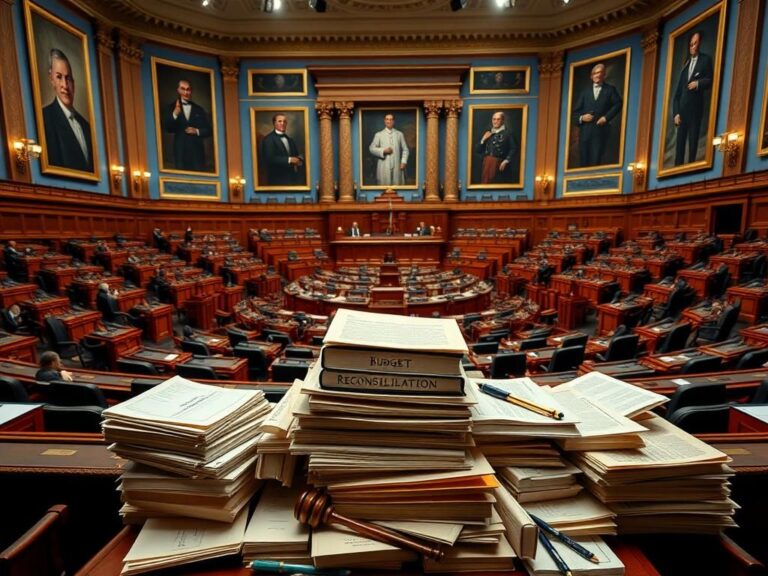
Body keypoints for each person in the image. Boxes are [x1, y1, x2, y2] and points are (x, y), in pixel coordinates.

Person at [41, 48, 93, 173]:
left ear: (73, 83)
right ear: (51, 79)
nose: (65, 85)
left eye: (68, 78)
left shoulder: (86, 126)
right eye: (59, 77)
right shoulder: (45, 118)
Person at [672, 31, 713, 166]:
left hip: (695, 110)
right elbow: (677, 94)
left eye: (695, 43)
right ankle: (677, 171)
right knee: (680, 146)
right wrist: (676, 113)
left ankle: (691, 169)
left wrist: (698, 83)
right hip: (682, 113)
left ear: (699, 44)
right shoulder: (685, 65)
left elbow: (710, 80)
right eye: (691, 44)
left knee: (693, 142)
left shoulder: (705, 60)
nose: (692, 46)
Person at [571, 62, 622, 167]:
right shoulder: (585, 92)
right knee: (584, 161)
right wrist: (582, 118)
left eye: (600, 73)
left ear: (604, 75)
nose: (597, 75)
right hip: (585, 133)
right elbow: (575, 113)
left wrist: (606, 118)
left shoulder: (610, 90)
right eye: (595, 73)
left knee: (596, 160)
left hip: (600, 132)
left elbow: (618, 104)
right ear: (591, 76)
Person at [163, 79, 212, 172]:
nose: (186, 92)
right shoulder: (171, 107)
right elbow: (167, 128)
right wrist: (175, 114)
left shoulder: (199, 109)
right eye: (183, 89)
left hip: (197, 153)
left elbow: (209, 130)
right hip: (180, 151)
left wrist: (197, 131)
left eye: (188, 89)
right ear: (178, 90)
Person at [260, 113, 304, 186]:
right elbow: (269, 159)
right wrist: (289, 159)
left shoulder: (290, 140)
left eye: (284, 121)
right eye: (279, 121)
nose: (282, 123)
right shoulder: (268, 139)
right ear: (274, 123)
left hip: (292, 180)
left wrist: (299, 159)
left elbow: (296, 155)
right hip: (277, 181)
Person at [475, 111, 519, 184]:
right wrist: (483, 139)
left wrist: (506, 160)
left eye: (498, 119)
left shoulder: (508, 133)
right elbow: (478, 150)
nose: (495, 121)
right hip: (487, 164)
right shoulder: (488, 132)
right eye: (494, 119)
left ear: (503, 120)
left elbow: (514, 148)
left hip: (500, 164)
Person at [369, 114, 410, 186]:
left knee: (397, 187)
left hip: (397, 166)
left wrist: (403, 161)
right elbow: (371, 148)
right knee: (384, 187)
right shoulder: (379, 134)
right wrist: (383, 151)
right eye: (387, 119)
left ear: (393, 121)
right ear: (384, 121)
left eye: (391, 119)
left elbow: (405, 149)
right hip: (383, 166)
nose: (389, 121)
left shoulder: (399, 134)